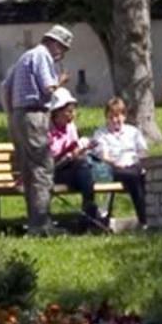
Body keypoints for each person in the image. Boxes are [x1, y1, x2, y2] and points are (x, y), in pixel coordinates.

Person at [1, 23, 74, 234]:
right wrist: (61, 81)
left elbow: (5, 87)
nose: (62, 54)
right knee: (42, 169)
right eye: (63, 48)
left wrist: (12, 115)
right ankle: (42, 224)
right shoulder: (43, 56)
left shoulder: (25, 56)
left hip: (17, 115)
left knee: (28, 171)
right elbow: (48, 87)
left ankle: (34, 223)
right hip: (34, 114)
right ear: (54, 43)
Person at [45, 87, 107, 229]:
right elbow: (47, 159)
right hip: (52, 171)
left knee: (83, 167)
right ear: (56, 112)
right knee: (83, 170)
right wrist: (68, 155)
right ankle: (90, 213)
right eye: (68, 111)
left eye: (73, 111)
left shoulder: (71, 127)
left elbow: (74, 150)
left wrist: (82, 149)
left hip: (71, 167)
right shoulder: (46, 130)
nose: (71, 115)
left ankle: (88, 213)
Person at [89, 94, 149, 221]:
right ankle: (144, 218)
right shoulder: (101, 134)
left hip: (134, 165)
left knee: (140, 175)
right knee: (134, 177)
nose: (115, 120)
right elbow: (104, 157)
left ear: (124, 116)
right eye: (111, 117)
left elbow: (143, 152)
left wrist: (142, 164)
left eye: (117, 116)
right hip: (113, 168)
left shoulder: (133, 132)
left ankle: (148, 215)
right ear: (106, 118)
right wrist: (116, 164)